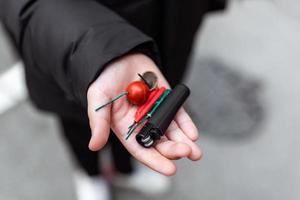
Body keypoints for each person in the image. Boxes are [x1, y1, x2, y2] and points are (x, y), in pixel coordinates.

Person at [0, 0, 226, 199]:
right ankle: (90, 174)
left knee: (122, 129)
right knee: (83, 128)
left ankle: (125, 170)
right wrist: (98, 51)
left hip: (169, 30)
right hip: (71, 55)